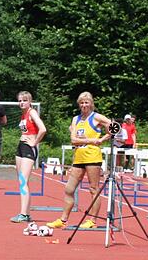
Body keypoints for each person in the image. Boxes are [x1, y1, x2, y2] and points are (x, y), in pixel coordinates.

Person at [47, 92, 112, 230]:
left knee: (93, 189)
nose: (84, 105)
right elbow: (74, 140)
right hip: (79, 157)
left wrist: (102, 139)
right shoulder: (75, 119)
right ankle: (63, 220)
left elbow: (115, 128)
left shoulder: (97, 117)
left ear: (91, 103)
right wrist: (91, 140)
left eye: (86, 102)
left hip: (92, 156)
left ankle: (92, 220)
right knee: (69, 188)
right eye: (81, 103)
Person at [10, 91, 46, 223]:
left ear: (30, 101)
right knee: (22, 182)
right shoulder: (23, 114)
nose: (21, 103)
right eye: (19, 100)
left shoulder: (32, 112)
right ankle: (26, 213)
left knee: (23, 181)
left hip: (29, 148)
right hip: (21, 147)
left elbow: (43, 129)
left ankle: (23, 214)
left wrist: (34, 143)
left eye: (24, 100)